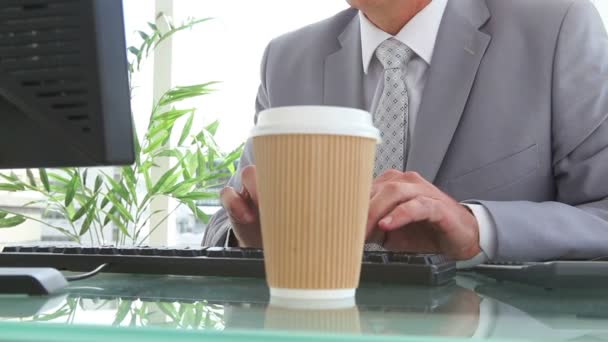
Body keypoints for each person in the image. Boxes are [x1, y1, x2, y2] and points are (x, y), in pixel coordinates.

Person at [203, 0, 608, 266]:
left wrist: (478, 228)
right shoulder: (289, 59)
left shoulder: (556, 28)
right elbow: (222, 228)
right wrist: (251, 241)